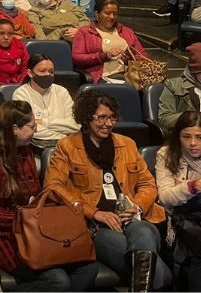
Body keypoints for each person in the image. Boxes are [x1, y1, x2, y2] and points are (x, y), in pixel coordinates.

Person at [44, 90, 170, 291]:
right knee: (160, 273)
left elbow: (147, 183)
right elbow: (53, 188)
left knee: (145, 230)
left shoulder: (126, 144)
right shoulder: (67, 146)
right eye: (102, 117)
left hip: (131, 218)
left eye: (112, 117)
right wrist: (94, 213)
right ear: (86, 118)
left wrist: (136, 206)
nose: (108, 123)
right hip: (94, 226)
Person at [0, 100, 99, 291]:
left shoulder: (26, 153)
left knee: (88, 268)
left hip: (33, 231)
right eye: (31, 126)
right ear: (14, 129)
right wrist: (28, 219)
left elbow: (35, 199)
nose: (35, 130)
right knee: (57, 280)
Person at [154, 111, 201, 291]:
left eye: (199, 137)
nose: (193, 143)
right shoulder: (166, 154)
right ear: (178, 136)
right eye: (186, 137)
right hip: (181, 218)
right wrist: (192, 187)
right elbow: (165, 197)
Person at [12, 54, 79, 154]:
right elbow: (27, 129)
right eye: (42, 71)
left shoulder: (61, 91)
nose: (48, 75)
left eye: (51, 72)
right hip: (34, 148)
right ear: (30, 73)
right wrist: (63, 137)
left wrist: (43, 122)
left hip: (67, 148)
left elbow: (75, 125)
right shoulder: (21, 94)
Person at [72, 0, 147, 84]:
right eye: (107, 13)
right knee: (125, 88)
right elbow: (77, 58)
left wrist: (130, 58)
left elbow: (143, 56)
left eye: (115, 14)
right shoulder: (84, 32)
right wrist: (105, 56)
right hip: (105, 76)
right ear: (97, 14)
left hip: (131, 74)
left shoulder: (126, 31)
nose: (111, 17)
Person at [159, 43, 201, 133]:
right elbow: (165, 119)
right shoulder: (173, 85)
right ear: (193, 72)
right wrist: (193, 117)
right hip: (185, 138)